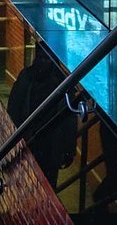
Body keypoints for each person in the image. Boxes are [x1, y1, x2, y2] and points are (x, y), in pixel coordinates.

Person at [7, 49, 77, 189]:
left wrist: (69, 148)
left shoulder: (59, 83)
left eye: (46, 59)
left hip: (46, 144)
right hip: (35, 141)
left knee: (43, 184)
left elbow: (69, 121)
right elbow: (14, 108)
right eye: (41, 58)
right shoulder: (31, 78)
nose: (43, 63)